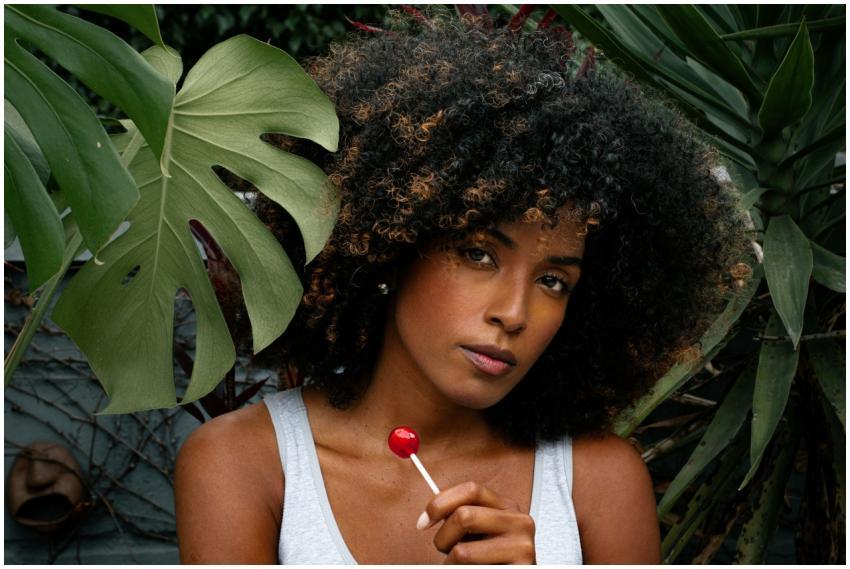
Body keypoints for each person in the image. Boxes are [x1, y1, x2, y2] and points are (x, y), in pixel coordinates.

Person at [174, 10, 753, 565]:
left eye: (554, 280)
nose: (514, 313)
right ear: (392, 244)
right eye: (478, 254)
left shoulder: (600, 482)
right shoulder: (245, 464)